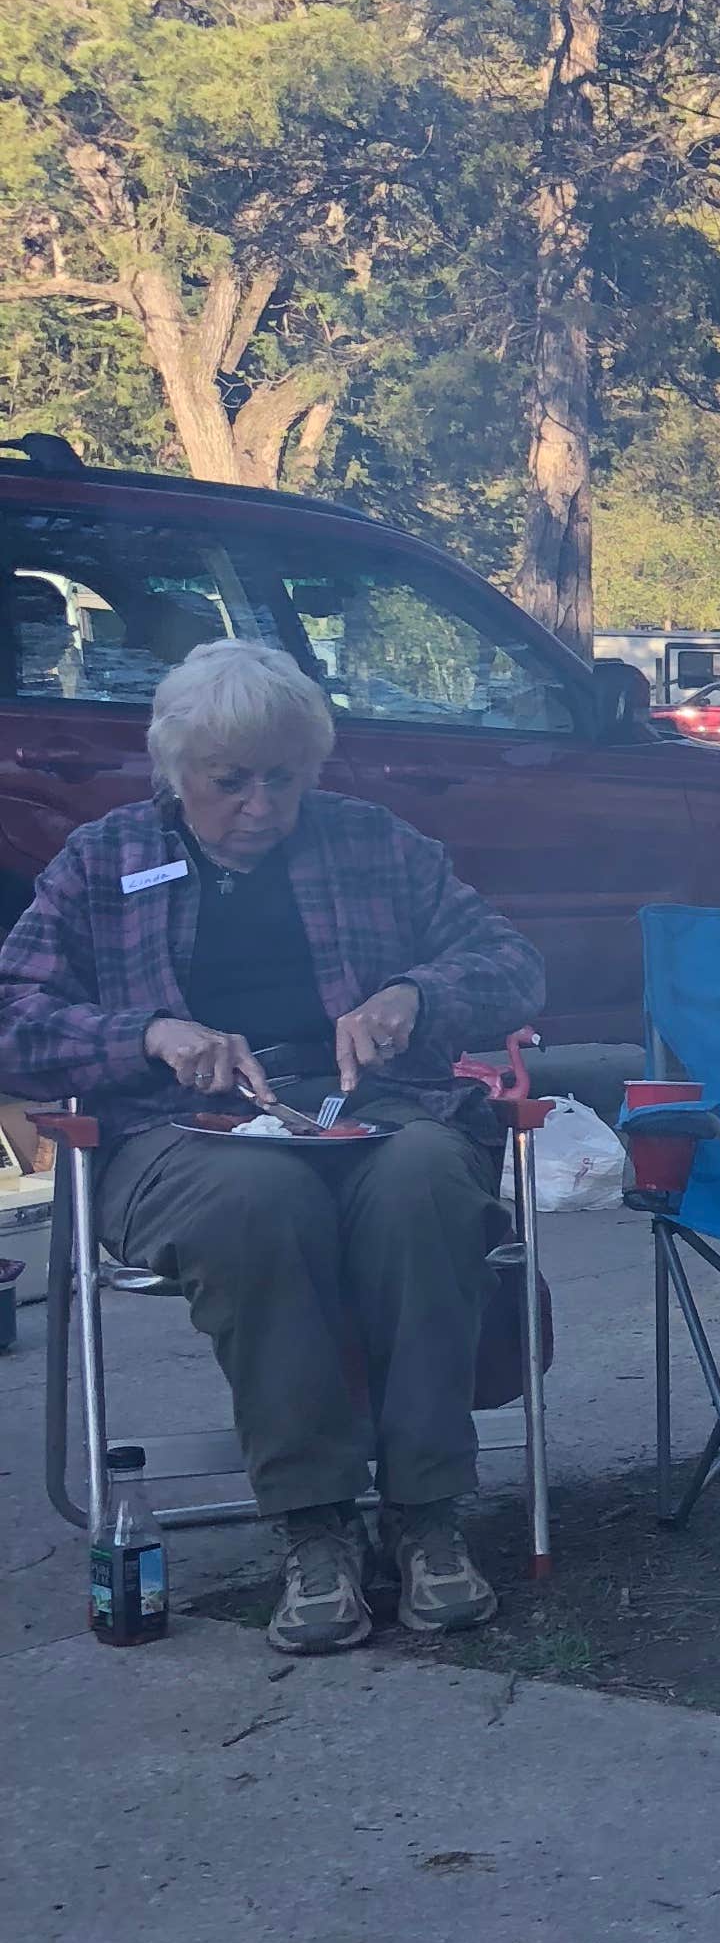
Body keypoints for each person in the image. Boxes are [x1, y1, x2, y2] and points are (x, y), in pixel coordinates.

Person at [0, 636, 547, 1652]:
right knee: (263, 1202)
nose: (262, 806)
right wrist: (145, 1035)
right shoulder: (105, 859)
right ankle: (316, 1525)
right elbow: (11, 1014)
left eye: (284, 779)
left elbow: (515, 966)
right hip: (176, 1133)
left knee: (430, 1180)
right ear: (177, 773)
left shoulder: (374, 844)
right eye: (231, 782)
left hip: (370, 1110)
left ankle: (426, 1514)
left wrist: (411, 995)